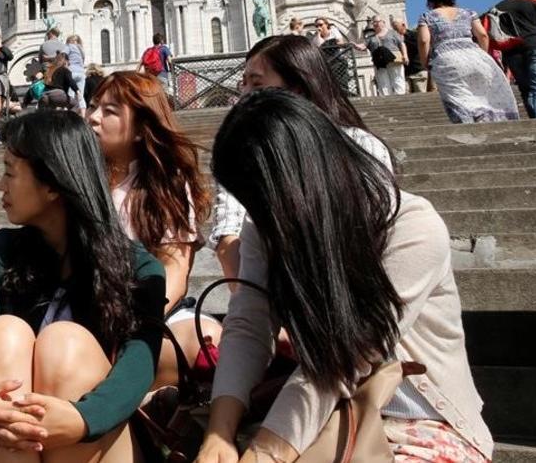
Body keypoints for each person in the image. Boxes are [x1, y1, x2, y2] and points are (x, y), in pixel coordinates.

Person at [197, 89, 492, 463]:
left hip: (421, 420)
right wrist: (218, 434)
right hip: (321, 413)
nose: (254, 213)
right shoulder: (265, 224)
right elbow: (249, 325)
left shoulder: (412, 227)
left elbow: (348, 355)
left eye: (259, 197)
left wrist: (264, 454)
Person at [0, 110, 165, 462]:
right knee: (4, 332)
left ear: (52, 185)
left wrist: (83, 419)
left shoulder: (138, 266)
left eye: (9, 172)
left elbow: (140, 362)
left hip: (95, 436)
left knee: (66, 343)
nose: (0, 186)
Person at [209, 34, 395, 284]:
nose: (244, 94)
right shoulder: (241, 152)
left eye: (257, 84)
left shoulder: (361, 146)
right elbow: (228, 240)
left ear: (297, 88)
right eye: (243, 84)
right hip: (268, 299)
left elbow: (382, 238)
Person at [87, 71, 217, 389]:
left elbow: (175, 266)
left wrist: (142, 321)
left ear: (140, 129)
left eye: (110, 111)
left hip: (151, 310)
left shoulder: (167, 183)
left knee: (203, 342)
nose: (92, 118)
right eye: (92, 106)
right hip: (87, 310)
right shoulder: (76, 178)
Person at [417, 0, 518, 123]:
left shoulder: (426, 16)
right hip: (474, 54)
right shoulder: (469, 13)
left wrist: (425, 62)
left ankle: (468, 126)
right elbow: (482, 35)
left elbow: (424, 41)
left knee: (458, 99)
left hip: (446, 59)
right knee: (482, 95)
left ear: (431, 3)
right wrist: (482, 55)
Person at [492, 0, 536, 118]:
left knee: (524, 88)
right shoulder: (533, 4)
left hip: (511, 51)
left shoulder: (496, 8)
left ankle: (534, 117)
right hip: (535, 45)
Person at [364, 17, 409, 96]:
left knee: (397, 79)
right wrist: (355, 45)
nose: (376, 24)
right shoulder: (371, 37)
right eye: (374, 22)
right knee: (383, 82)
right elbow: (363, 46)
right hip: (379, 61)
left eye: (378, 21)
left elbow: (402, 44)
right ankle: (387, 100)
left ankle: (401, 98)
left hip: (394, 59)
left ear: (383, 22)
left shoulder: (392, 33)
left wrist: (405, 55)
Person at [392, 18, 428, 93]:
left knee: (421, 97)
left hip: (418, 70)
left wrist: (403, 40)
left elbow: (418, 46)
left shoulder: (414, 35)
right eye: (393, 28)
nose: (395, 30)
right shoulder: (395, 40)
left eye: (396, 27)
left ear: (403, 25)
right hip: (405, 73)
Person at [66, 34, 87, 111]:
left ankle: (69, 115)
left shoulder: (69, 46)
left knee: (70, 94)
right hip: (81, 73)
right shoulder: (81, 50)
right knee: (80, 96)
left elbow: (63, 55)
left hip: (72, 72)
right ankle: (83, 116)